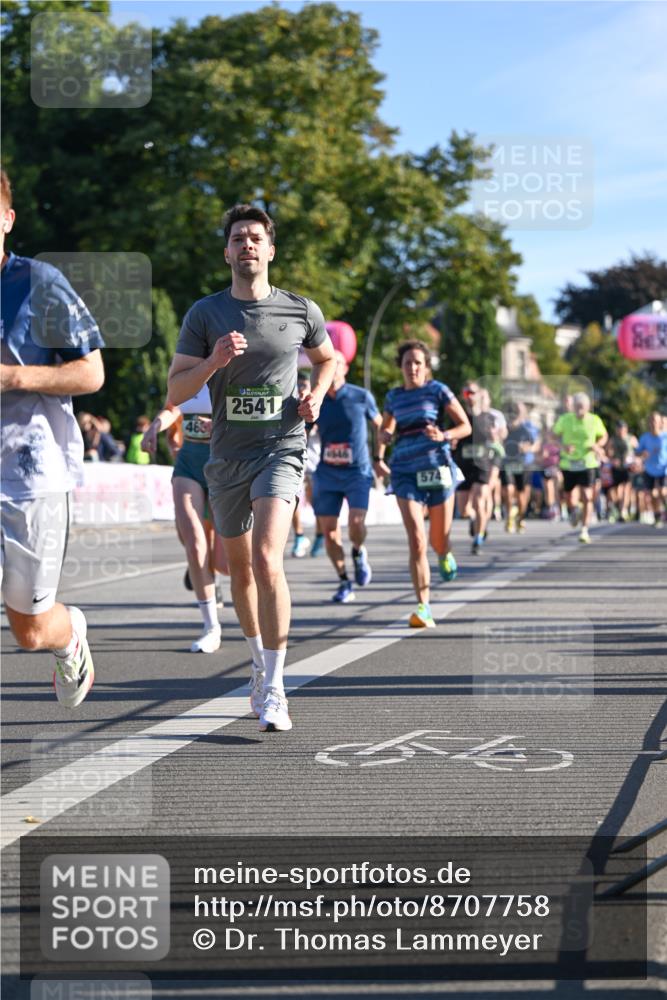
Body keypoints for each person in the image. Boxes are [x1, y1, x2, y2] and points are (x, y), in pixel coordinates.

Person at [167, 203, 335, 732]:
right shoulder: (204, 314)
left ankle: (278, 688)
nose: (247, 245)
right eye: (238, 237)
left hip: (281, 447)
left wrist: (318, 396)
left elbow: (327, 360)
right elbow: (175, 390)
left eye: (256, 237)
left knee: (267, 559)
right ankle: (258, 672)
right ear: (227, 252)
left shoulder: (300, 310)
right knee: (238, 571)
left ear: (270, 249)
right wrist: (214, 361)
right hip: (226, 456)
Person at [0, 168, 105, 708]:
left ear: (8, 219)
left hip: (29, 477)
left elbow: (91, 373)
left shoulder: (38, 284)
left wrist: (13, 376)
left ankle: (70, 638)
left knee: (31, 631)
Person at [376, 340, 470, 628]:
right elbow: (386, 428)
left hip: (437, 469)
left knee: (437, 539)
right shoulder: (393, 396)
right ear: (401, 367)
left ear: (426, 367)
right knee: (417, 539)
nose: (413, 367)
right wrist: (382, 449)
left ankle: (444, 553)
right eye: (407, 363)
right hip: (404, 470)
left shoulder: (438, 390)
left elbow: (465, 426)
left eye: (418, 363)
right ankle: (424, 607)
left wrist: (444, 435)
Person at [142, 384, 228, 650]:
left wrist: (222, 427)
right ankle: (211, 626)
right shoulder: (187, 366)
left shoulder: (232, 364)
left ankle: (241, 598)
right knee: (194, 542)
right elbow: (172, 408)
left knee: (225, 562)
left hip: (224, 461)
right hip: (188, 462)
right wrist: (156, 426)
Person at [311, 350, 381, 603]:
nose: (333, 368)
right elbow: (303, 428)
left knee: (355, 523)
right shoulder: (317, 398)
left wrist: (380, 458)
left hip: (357, 472)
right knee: (329, 533)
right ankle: (344, 581)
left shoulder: (361, 396)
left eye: (337, 363)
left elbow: (381, 426)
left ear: (345, 368)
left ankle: (359, 551)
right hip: (327, 472)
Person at [553, 392, 608, 543]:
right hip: (569, 463)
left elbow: (604, 436)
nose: (579, 410)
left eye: (582, 407)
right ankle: (574, 511)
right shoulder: (565, 419)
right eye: (577, 407)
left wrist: (597, 445)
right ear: (573, 406)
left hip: (588, 462)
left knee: (587, 496)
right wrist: (563, 446)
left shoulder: (594, 420)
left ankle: (584, 529)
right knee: (570, 497)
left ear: (588, 407)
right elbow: (553, 435)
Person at [455, 382, 497, 554]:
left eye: (473, 392)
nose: (470, 396)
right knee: (464, 509)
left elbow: (497, 443)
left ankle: (478, 539)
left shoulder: (488, 418)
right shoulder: (458, 416)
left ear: (479, 395)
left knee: (479, 501)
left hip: (482, 465)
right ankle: (474, 520)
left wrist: (494, 440)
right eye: (466, 393)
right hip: (464, 465)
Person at [501, 401, 539, 534]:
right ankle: (509, 516)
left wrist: (528, 448)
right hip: (507, 462)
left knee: (522, 496)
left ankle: (521, 518)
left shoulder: (528, 427)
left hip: (524, 463)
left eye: (518, 411)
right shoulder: (505, 426)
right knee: (508, 490)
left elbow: (536, 444)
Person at [636, 412, 667, 529]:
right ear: (649, 423)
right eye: (652, 420)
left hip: (664, 469)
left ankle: (663, 507)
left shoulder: (665, 437)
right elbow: (637, 452)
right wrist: (641, 453)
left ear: (660, 423)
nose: (654, 423)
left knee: (663, 492)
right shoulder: (645, 437)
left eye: (656, 420)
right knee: (652, 495)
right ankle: (658, 516)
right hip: (649, 470)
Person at [606, 420, 637, 523]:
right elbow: (608, 452)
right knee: (617, 490)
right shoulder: (613, 440)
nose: (620, 431)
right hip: (617, 467)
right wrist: (612, 459)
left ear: (626, 429)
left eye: (622, 428)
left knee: (626, 488)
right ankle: (619, 507)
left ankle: (623, 510)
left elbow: (639, 450)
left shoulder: (631, 438)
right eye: (619, 428)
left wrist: (634, 459)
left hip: (628, 467)